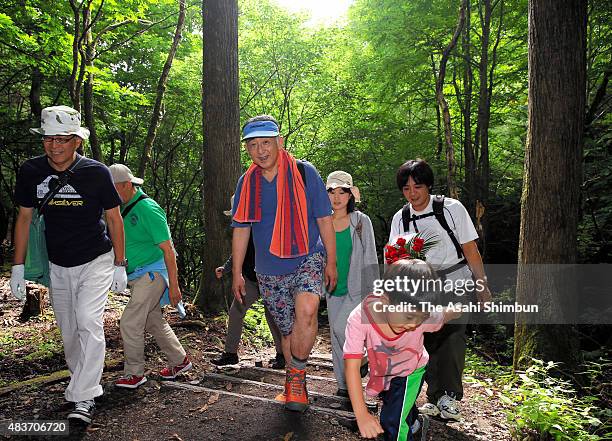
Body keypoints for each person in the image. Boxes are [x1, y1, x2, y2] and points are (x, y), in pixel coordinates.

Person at [10, 106, 127, 424]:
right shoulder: (31, 171)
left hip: (96, 259)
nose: (54, 145)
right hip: (58, 263)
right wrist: (17, 266)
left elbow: (114, 219)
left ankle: (83, 396)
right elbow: (24, 218)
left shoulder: (96, 172)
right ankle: (83, 386)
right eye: (49, 138)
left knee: (89, 321)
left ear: (77, 141)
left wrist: (120, 263)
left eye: (63, 139)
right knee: (70, 331)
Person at [231, 115, 337, 412]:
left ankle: (296, 375)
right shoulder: (247, 183)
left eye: (266, 142)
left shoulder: (304, 172)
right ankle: (295, 380)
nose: (261, 150)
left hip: (307, 255)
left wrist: (332, 262)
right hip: (267, 269)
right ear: (247, 149)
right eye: (253, 145)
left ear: (279, 142)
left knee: (307, 309)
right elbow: (241, 228)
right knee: (288, 332)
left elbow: (324, 218)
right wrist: (237, 272)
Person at [388, 158, 492, 421]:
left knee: (452, 337)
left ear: (429, 185)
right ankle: (434, 397)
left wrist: (482, 286)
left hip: (456, 279)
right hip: (421, 285)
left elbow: (470, 250)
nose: (413, 193)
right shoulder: (401, 218)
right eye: (407, 189)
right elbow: (395, 259)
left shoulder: (451, 208)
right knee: (425, 339)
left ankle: (449, 396)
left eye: (418, 186)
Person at [344, 259, 461, 440]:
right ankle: (414, 423)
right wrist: (362, 414)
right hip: (384, 371)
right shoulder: (359, 318)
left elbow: (443, 314)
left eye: (420, 318)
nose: (414, 324)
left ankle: (404, 430)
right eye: (409, 316)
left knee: (392, 421)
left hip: (411, 370)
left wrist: (457, 309)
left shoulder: (421, 315)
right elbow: (351, 366)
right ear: (385, 300)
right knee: (396, 404)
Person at [109, 164, 192, 388]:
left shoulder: (148, 209)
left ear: (126, 185)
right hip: (139, 274)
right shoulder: (123, 208)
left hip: (153, 274)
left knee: (129, 321)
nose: (109, 194)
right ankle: (179, 361)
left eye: (112, 189)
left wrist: (174, 286)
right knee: (152, 320)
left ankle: (134, 373)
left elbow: (168, 250)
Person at [212, 195, 284, 369]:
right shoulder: (241, 229)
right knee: (236, 311)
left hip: (269, 278)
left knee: (273, 316)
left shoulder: (266, 226)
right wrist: (226, 268)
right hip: (249, 279)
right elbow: (238, 253)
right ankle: (230, 353)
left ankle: (282, 354)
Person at [325, 171, 379, 396]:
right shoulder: (322, 221)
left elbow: (371, 256)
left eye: (342, 192)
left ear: (350, 196)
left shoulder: (360, 221)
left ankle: (363, 358)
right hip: (331, 289)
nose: (336, 197)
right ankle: (343, 385)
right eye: (332, 192)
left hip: (356, 289)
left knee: (341, 329)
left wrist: (374, 291)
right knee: (336, 339)